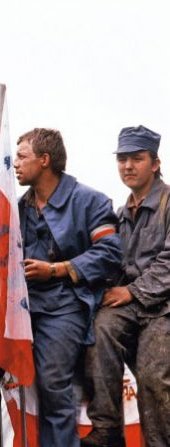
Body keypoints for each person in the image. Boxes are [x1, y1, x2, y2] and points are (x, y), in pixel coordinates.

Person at [0, 128, 122, 447]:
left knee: (53, 383)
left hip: (67, 303)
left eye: (22, 156)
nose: (16, 164)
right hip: (23, 301)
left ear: (44, 160)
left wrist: (56, 270)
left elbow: (110, 254)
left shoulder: (90, 201)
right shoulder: (17, 207)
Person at [82, 125, 170, 447]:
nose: (128, 166)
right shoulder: (120, 215)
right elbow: (109, 263)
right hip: (131, 306)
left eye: (137, 158)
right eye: (122, 159)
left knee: (152, 374)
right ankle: (106, 430)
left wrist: (132, 291)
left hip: (165, 308)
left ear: (155, 163)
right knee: (99, 330)